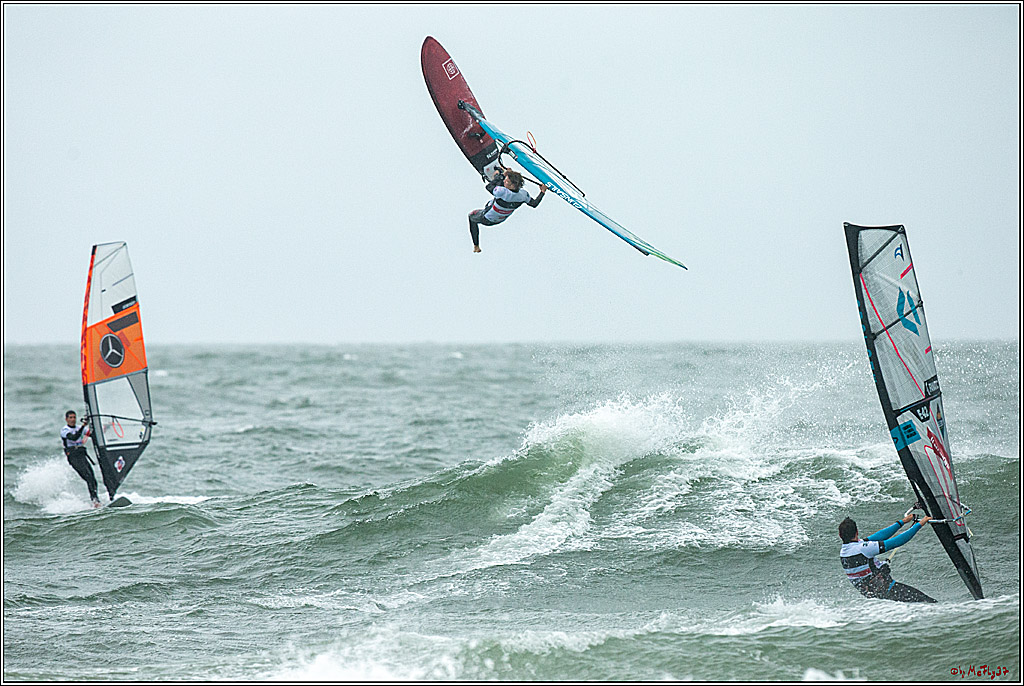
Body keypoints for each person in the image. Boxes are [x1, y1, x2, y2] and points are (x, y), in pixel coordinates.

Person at [839, 514, 937, 602]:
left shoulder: (845, 551)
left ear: (840, 536)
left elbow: (880, 536)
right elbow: (897, 541)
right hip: (890, 591)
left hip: (876, 596)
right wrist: (920, 524)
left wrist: (902, 522)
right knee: (928, 602)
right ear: (857, 532)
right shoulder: (862, 549)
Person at [468, 167, 545, 252]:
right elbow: (534, 204)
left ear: (513, 185)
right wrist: (542, 192)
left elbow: (489, 187)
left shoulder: (502, 192)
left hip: (486, 218)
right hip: (499, 219)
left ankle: (476, 246)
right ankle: (499, 173)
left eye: (507, 181)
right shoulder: (523, 195)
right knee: (497, 192)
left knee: (471, 216)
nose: (505, 181)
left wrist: (501, 176)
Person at [61, 410, 101, 508]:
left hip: (82, 455)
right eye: (70, 418)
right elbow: (74, 437)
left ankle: (96, 501)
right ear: (66, 419)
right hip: (73, 457)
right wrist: (84, 425)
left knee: (92, 478)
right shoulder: (65, 430)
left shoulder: (80, 428)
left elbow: (92, 434)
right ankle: (94, 501)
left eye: (74, 417)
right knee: (88, 477)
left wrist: (100, 426)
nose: (73, 419)